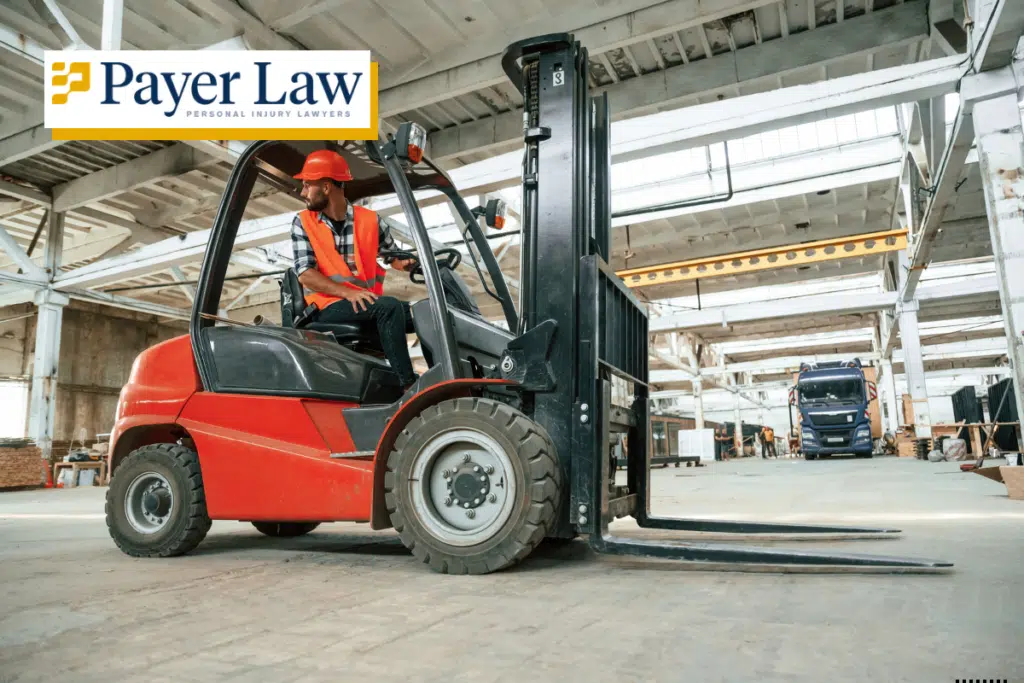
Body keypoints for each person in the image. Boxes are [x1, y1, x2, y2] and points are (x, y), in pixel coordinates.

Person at [290, 149, 418, 389]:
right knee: (389, 308)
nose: (302, 192)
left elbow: (392, 257)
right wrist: (347, 292)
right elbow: (306, 274)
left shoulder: (370, 220)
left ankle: (444, 382)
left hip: (363, 303)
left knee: (426, 313)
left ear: (326, 187)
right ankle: (409, 387)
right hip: (325, 306)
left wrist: (408, 262)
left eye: (307, 185)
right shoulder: (303, 222)